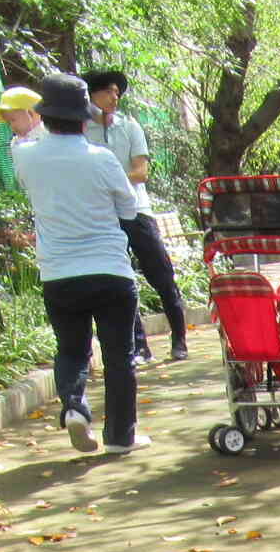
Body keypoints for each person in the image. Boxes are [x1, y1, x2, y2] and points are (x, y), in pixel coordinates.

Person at [11, 73, 147, 454]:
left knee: (71, 350)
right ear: (84, 118)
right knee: (119, 355)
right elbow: (129, 207)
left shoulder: (24, 157)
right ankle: (121, 437)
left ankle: (74, 407)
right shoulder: (101, 158)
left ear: (43, 116)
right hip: (109, 270)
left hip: (58, 272)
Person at [81, 70, 189, 365]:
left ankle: (180, 338)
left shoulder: (129, 126)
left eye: (117, 92)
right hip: (104, 216)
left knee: (162, 277)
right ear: (92, 95)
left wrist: (109, 179)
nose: (114, 97)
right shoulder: (82, 131)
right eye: (108, 92)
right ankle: (140, 346)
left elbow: (141, 172)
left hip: (137, 211)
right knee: (121, 281)